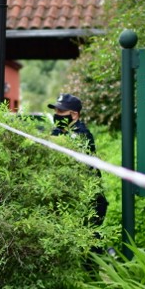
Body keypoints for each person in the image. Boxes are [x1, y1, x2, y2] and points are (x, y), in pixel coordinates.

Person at [49, 93, 108, 226]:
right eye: (56, 110)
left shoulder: (82, 134)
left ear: (74, 115)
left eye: (61, 111)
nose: (56, 114)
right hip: (68, 197)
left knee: (90, 241)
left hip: (89, 200)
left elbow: (68, 146)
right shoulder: (57, 131)